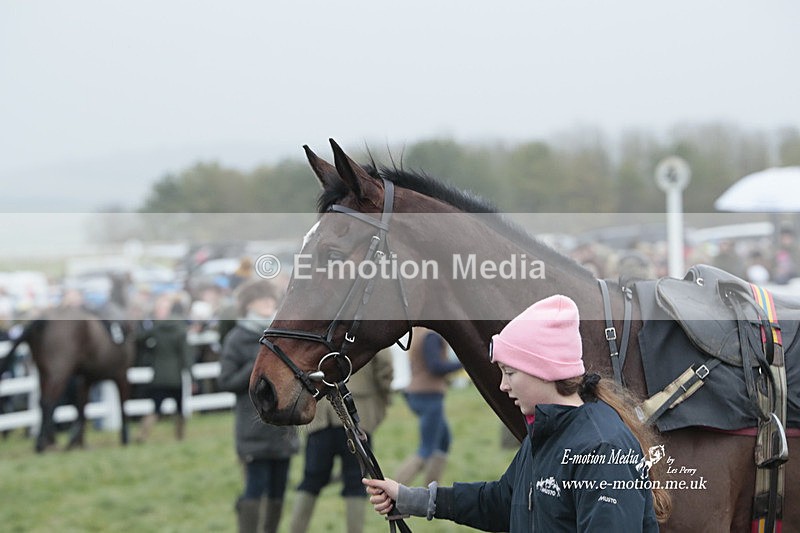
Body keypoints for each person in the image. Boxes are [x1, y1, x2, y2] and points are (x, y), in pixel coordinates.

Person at [364, 295, 670, 532]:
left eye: (510, 372)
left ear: (544, 371)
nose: (502, 385)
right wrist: (411, 499)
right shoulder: (547, 432)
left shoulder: (602, 448)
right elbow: (501, 502)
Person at [218, 279, 299, 533]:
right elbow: (226, 381)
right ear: (249, 305)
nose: (267, 305)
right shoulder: (237, 338)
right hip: (252, 428)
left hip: (283, 427)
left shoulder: (284, 336)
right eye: (261, 300)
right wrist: (257, 364)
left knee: (278, 491)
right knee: (255, 487)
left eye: (270, 300)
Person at [289, 348, 394, 533]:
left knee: (311, 479)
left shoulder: (313, 322)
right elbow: (384, 365)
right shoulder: (364, 321)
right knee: (357, 481)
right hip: (357, 411)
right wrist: (383, 397)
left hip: (320, 413)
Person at [394, 328, 462, 486]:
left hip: (420, 394)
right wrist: (464, 363)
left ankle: (431, 491)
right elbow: (435, 366)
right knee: (426, 449)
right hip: (428, 396)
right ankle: (394, 490)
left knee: (444, 442)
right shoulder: (431, 335)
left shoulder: (418, 331)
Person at [136, 293, 192, 442]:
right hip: (176, 377)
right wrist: (192, 377)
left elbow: (139, 339)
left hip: (159, 376)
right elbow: (186, 356)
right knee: (180, 409)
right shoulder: (180, 329)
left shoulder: (156, 328)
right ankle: (180, 437)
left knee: (155, 408)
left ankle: (142, 435)